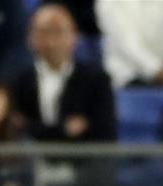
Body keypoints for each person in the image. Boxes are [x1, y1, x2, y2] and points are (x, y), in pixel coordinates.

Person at [13, 3, 117, 142]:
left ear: (75, 36)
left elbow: (104, 132)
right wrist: (65, 129)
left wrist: (34, 127)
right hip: (31, 161)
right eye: (43, 32)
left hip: (83, 162)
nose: (51, 42)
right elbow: (16, 129)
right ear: (31, 37)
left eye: (58, 32)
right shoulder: (18, 80)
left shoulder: (97, 80)